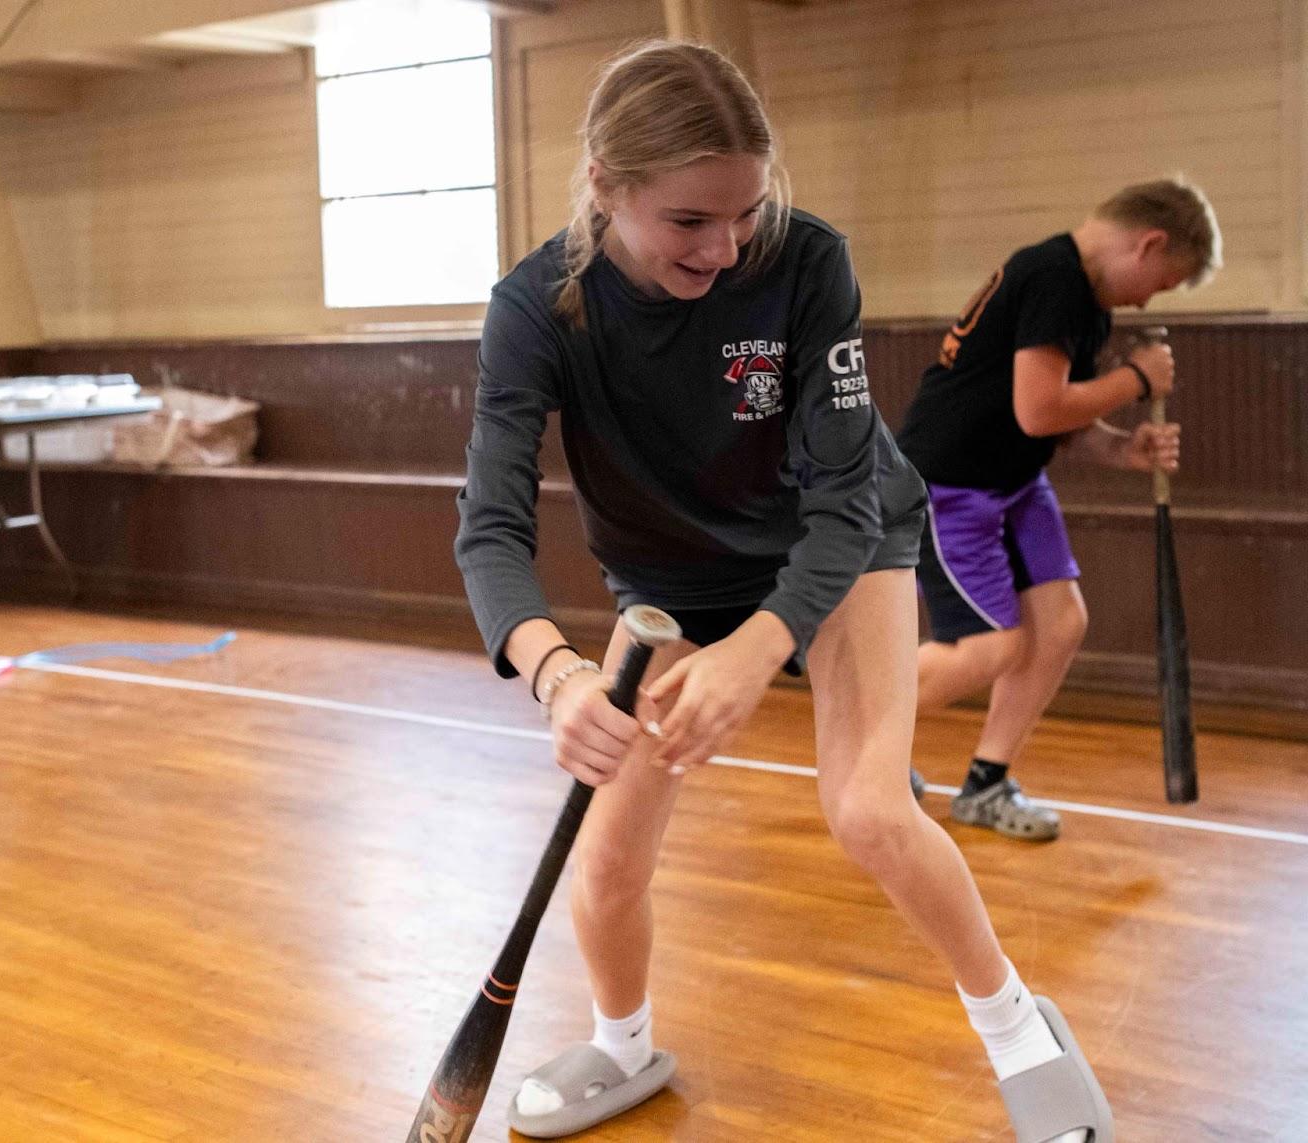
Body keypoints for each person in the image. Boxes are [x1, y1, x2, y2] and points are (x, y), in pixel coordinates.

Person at [454, 39, 1111, 1143]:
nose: (724, 247)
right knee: (607, 855)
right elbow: (490, 525)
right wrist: (557, 675)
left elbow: (846, 500)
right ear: (605, 187)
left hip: (840, 542)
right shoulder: (535, 308)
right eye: (689, 220)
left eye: (745, 213)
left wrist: (761, 646)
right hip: (668, 579)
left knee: (868, 809)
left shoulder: (807, 262)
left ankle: (1017, 1031)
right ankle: (623, 1045)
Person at [898, 178, 1222, 841]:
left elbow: (1053, 419)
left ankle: (986, 783)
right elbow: (1039, 408)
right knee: (988, 645)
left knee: (1060, 624)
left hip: (1014, 480)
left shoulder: (1086, 299)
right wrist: (1137, 380)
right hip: (950, 486)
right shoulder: (1055, 278)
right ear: (1148, 243)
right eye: (1160, 283)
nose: (1146, 300)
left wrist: (1121, 448)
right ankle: (863, 740)